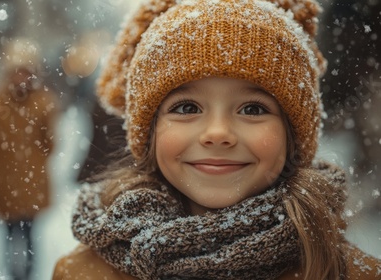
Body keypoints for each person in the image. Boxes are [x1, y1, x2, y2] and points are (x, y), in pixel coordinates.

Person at [53, 0, 381, 279]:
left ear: (292, 136)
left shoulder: (354, 273)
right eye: (187, 107)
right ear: (149, 134)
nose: (218, 133)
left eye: (252, 109)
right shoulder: (81, 272)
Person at [0, 38, 59, 280]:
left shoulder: (43, 103)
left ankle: (26, 274)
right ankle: (13, 273)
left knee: (28, 234)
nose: (21, 77)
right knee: (8, 234)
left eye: (26, 71)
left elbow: (50, 142)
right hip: (3, 182)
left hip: (30, 182)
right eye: (17, 71)